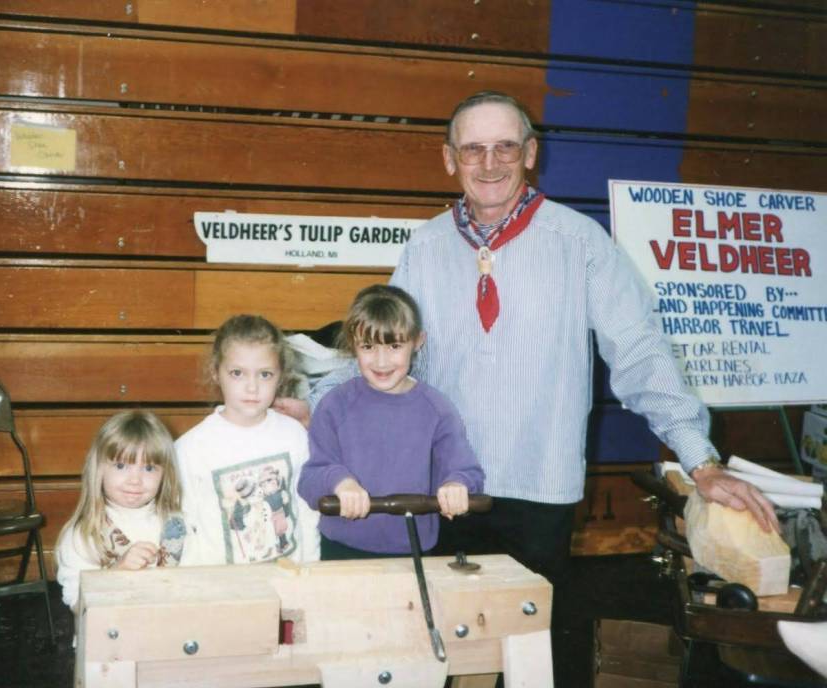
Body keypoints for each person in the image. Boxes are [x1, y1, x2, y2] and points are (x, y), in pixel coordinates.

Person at [279, 90, 778, 586]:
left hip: (539, 489)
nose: (489, 163)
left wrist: (701, 461)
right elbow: (382, 346)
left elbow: (640, 353)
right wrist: (319, 406)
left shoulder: (581, 243)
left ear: (531, 153)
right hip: (437, 489)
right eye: (473, 149)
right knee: (446, 647)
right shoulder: (424, 247)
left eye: (506, 147)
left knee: (528, 647)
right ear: (450, 159)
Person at [298, 284, 484, 559]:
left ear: (417, 341)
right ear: (353, 343)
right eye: (368, 346)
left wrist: (457, 485)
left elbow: (466, 471)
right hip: (342, 548)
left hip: (413, 550)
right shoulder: (334, 406)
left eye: (395, 346)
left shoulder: (438, 409)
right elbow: (311, 478)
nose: (382, 361)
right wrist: (340, 483)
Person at [175, 314, 320, 565]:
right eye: (237, 373)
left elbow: (307, 513)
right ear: (215, 372)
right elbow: (185, 526)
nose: (252, 387)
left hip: (289, 582)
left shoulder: (294, 435)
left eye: (264, 375)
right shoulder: (190, 448)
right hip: (223, 591)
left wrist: (310, 569)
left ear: (281, 376)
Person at [55, 410, 187, 610]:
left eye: (149, 468)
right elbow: (77, 605)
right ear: (99, 468)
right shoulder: (83, 534)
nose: (135, 480)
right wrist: (117, 572)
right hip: (110, 636)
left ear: (165, 474)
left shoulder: (178, 524)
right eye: (120, 466)